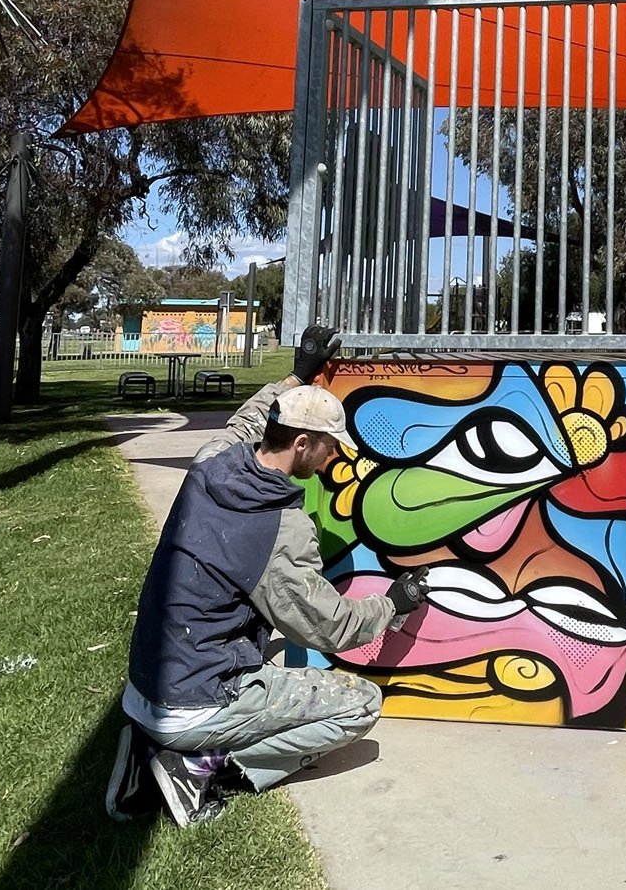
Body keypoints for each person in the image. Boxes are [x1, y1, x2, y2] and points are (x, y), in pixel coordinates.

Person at [105, 326, 428, 828]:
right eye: (329, 447)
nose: (334, 457)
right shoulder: (279, 529)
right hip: (198, 700)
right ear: (303, 444)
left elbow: (249, 419)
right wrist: (393, 605)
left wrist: (299, 374)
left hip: (146, 684)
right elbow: (330, 628)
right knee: (361, 705)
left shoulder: (212, 461)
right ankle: (200, 766)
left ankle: (150, 747)